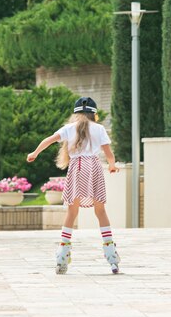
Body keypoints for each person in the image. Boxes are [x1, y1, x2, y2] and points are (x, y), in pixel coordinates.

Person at [27, 97, 121, 275]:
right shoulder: (99, 128)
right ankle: (111, 255)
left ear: (75, 114)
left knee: (72, 212)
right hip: (93, 167)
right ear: (94, 114)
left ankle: (62, 255)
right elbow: (109, 153)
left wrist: (35, 153)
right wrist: (112, 165)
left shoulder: (69, 129)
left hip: (77, 168)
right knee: (100, 211)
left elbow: (49, 140)